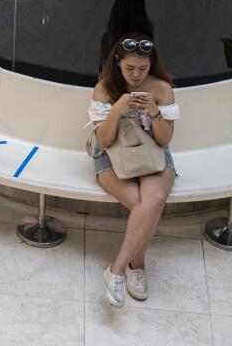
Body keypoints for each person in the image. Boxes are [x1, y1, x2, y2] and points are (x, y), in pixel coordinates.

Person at [89, 34, 179, 308]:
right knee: (142, 205)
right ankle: (137, 265)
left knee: (154, 200)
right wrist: (117, 109)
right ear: (118, 63)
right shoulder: (104, 88)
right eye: (130, 68)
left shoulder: (162, 89)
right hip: (113, 156)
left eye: (143, 68)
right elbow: (103, 140)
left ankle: (116, 271)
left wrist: (153, 110)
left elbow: (164, 140)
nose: (137, 75)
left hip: (152, 154)